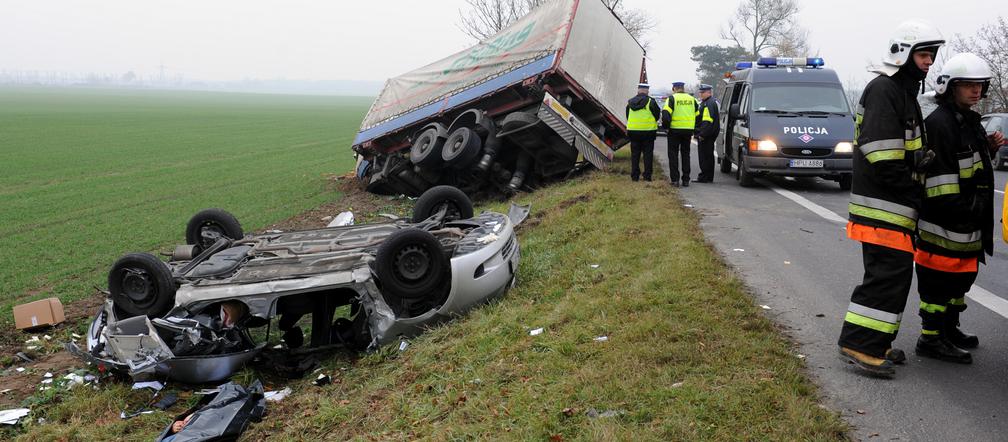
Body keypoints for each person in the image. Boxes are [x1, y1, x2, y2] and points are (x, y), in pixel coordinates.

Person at [837, 19, 945, 377]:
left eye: (931, 56)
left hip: (893, 207)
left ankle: (877, 341)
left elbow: (900, 150)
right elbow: (882, 154)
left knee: (894, 277)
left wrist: (918, 163)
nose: (929, 62)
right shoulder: (885, 90)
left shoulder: (902, 93)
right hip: (883, 207)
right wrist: (913, 186)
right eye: (924, 55)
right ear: (903, 54)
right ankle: (859, 344)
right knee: (886, 277)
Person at [914, 53, 1004, 363]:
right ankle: (931, 338)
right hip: (945, 222)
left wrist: (988, 148)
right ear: (949, 87)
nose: (975, 91)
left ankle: (949, 328)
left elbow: (970, 165)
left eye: (979, 85)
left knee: (960, 279)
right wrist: (962, 210)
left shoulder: (968, 121)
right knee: (938, 282)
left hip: (966, 222)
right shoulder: (940, 123)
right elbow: (940, 181)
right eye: (967, 85)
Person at [662, 81, 699, 187]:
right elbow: (698, 115)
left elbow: (665, 115)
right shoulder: (692, 99)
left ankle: (675, 180)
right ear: (683, 88)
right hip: (688, 131)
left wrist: (666, 127)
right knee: (685, 154)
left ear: (674, 88)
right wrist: (694, 129)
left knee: (673, 155)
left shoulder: (672, 99)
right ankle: (686, 180)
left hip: (674, 130)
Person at [625, 82, 661, 182]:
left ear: (638, 90)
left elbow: (628, 116)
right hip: (648, 132)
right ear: (647, 91)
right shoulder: (651, 102)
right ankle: (647, 176)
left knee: (635, 154)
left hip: (633, 132)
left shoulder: (630, 102)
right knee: (648, 154)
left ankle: (634, 176)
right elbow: (657, 115)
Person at [694, 84, 720, 182]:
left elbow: (707, 121)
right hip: (709, 134)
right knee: (708, 156)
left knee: (704, 157)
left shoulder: (708, 104)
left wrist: (702, 134)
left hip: (706, 135)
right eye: (700, 92)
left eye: (703, 92)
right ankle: (708, 177)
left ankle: (704, 177)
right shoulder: (709, 102)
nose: (700, 94)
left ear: (709, 92)